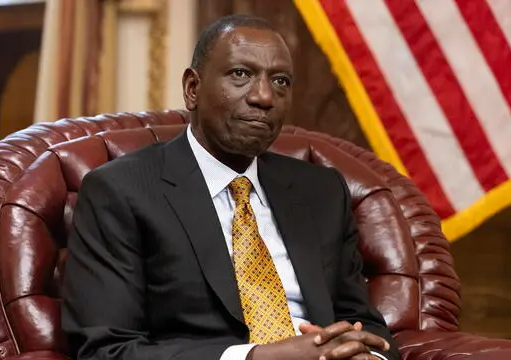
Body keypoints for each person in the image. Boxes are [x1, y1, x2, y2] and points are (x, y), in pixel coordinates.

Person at [61, 14, 400, 360]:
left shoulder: (321, 191)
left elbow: (363, 323)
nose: (265, 97)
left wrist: (366, 356)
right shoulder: (121, 191)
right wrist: (257, 357)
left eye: (280, 81)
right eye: (241, 74)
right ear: (193, 89)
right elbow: (107, 350)